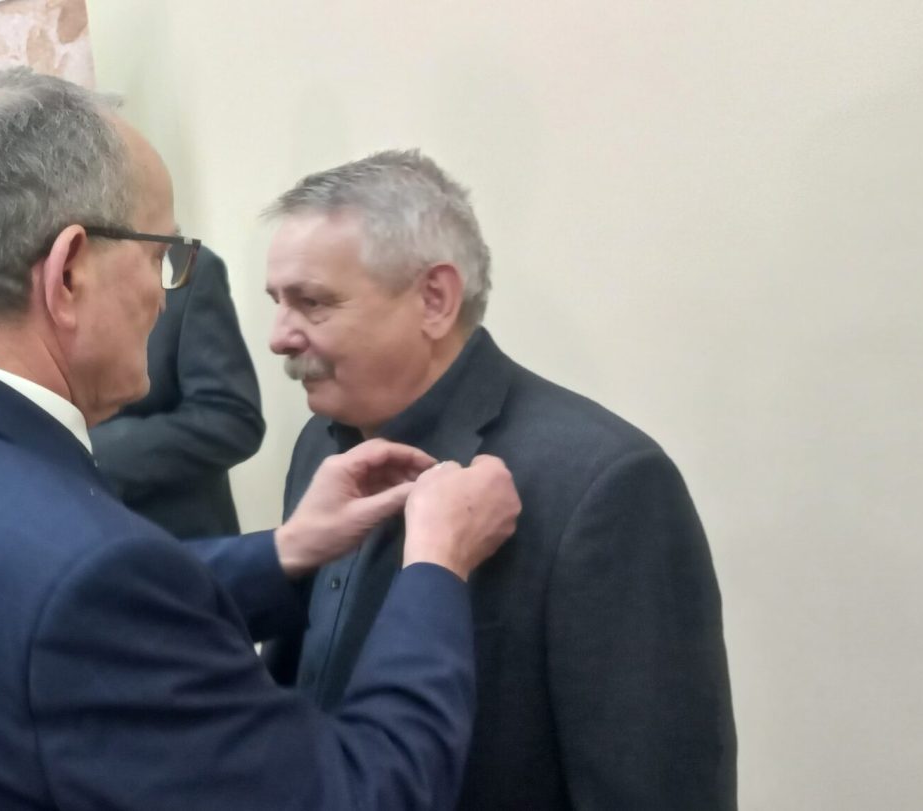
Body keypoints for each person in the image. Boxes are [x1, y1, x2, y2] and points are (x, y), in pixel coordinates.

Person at [0, 68, 522, 810]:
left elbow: (23, 607)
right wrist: (436, 565)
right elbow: (367, 795)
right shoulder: (88, 575)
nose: (162, 290)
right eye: (157, 256)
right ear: (68, 274)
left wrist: (283, 551)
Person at [264, 150, 736, 809]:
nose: (279, 337)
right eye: (277, 302)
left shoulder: (602, 485)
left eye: (312, 303)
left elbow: (654, 779)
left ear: (435, 299)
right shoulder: (321, 444)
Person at [88, 245, 265, 538]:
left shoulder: (185, 265)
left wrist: (84, 451)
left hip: (172, 544)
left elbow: (232, 420)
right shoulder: (14, 268)